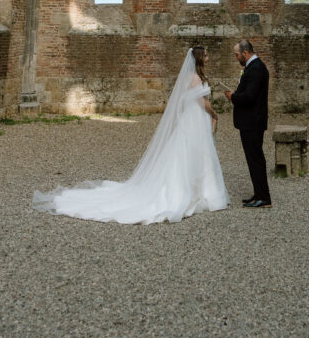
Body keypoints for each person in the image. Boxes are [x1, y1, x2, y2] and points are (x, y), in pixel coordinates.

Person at [33, 47, 229, 224]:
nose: (208, 58)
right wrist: (214, 113)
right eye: (206, 55)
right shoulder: (196, 78)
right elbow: (202, 103)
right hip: (195, 118)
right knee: (194, 152)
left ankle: (195, 188)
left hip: (191, 119)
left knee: (187, 152)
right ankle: (195, 190)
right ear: (199, 58)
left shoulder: (189, 77)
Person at [224, 39, 272, 208]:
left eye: (237, 55)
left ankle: (264, 198)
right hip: (251, 122)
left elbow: (250, 97)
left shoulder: (256, 68)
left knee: (256, 159)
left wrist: (233, 97)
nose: (236, 58)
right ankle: (259, 194)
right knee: (253, 160)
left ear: (245, 53)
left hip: (252, 122)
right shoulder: (254, 67)